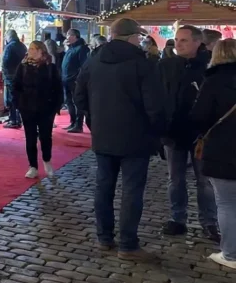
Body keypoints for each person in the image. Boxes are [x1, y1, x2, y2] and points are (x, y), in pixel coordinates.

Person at [75, 18, 166, 262]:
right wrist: (156, 131)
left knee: (104, 187)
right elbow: (155, 106)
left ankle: (105, 238)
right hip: (135, 137)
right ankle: (128, 244)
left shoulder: (93, 60)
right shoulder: (141, 63)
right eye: (138, 36)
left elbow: (78, 97)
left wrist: (94, 122)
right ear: (130, 37)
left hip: (104, 135)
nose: (140, 39)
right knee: (131, 191)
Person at [158, 25, 217, 241]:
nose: (178, 44)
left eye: (183, 40)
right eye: (177, 40)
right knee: (175, 179)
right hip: (173, 132)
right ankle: (177, 219)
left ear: (197, 42)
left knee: (205, 181)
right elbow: (160, 96)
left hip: (202, 134)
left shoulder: (210, 65)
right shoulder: (166, 65)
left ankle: (209, 222)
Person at [188, 39, 236, 269]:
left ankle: (230, 253)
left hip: (222, 149)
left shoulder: (213, 81)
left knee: (226, 203)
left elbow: (199, 116)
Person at [12, 41, 63, 178]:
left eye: (34, 49)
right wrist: (18, 103)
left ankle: (47, 160)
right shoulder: (23, 67)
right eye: (30, 49)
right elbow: (16, 86)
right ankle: (32, 166)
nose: (31, 51)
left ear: (42, 51)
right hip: (27, 107)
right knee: (30, 137)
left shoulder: (50, 67)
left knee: (46, 136)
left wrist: (56, 105)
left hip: (46, 107)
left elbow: (58, 87)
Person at [61, 29, 91, 133]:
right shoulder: (70, 48)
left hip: (74, 80)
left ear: (75, 36)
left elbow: (84, 66)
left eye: (69, 35)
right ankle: (73, 122)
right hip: (66, 79)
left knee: (77, 102)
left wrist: (77, 78)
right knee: (69, 102)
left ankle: (78, 125)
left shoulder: (82, 48)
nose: (67, 37)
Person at [1, 30, 27, 129]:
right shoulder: (22, 46)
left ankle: (14, 120)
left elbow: (6, 62)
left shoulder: (9, 47)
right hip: (21, 76)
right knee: (18, 98)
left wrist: (5, 74)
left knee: (11, 99)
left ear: (8, 37)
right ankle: (17, 119)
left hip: (11, 77)